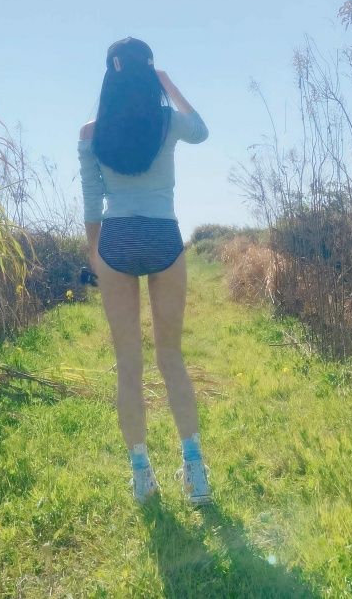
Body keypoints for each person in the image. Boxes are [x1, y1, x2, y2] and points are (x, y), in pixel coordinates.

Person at [77, 36, 213, 506]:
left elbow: (91, 199)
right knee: (170, 357)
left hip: (116, 238)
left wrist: (94, 250)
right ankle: (194, 470)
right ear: (148, 71)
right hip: (162, 236)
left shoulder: (91, 133)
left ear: (109, 74)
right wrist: (168, 84)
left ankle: (141, 474)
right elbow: (201, 130)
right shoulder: (167, 121)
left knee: (129, 364)